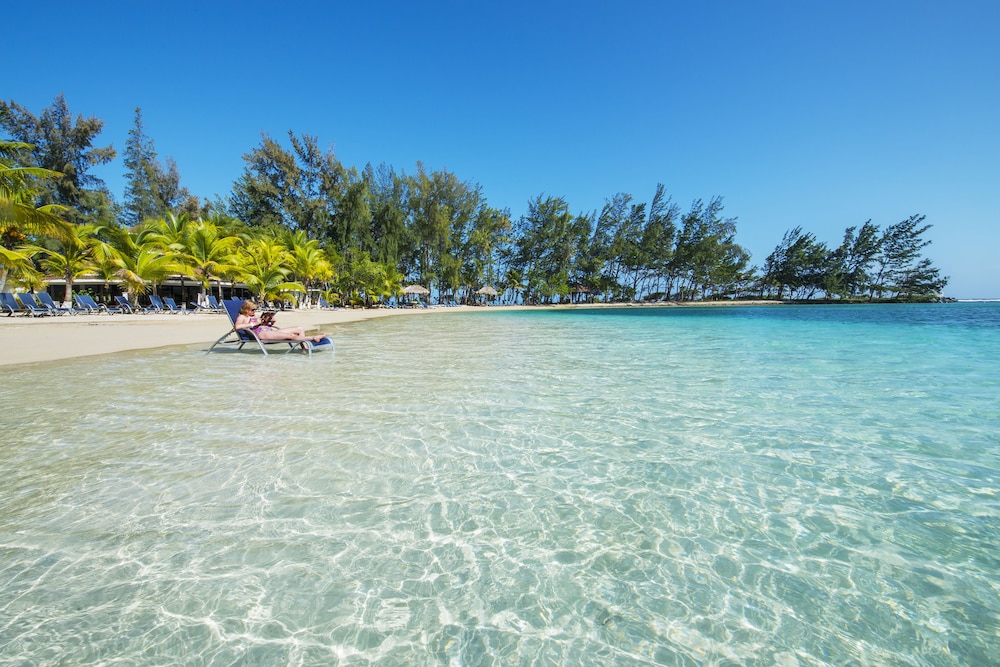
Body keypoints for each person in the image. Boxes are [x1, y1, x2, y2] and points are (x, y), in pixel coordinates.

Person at [234, 299, 328, 344]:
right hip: (262, 334)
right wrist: (253, 323)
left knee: (299, 329)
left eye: (255, 309)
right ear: (246, 309)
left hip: (269, 330)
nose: (254, 311)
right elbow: (237, 327)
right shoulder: (242, 317)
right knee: (290, 336)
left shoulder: (254, 315)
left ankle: (305, 349)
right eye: (252, 310)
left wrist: (270, 321)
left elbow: (266, 324)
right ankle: (313, 338)